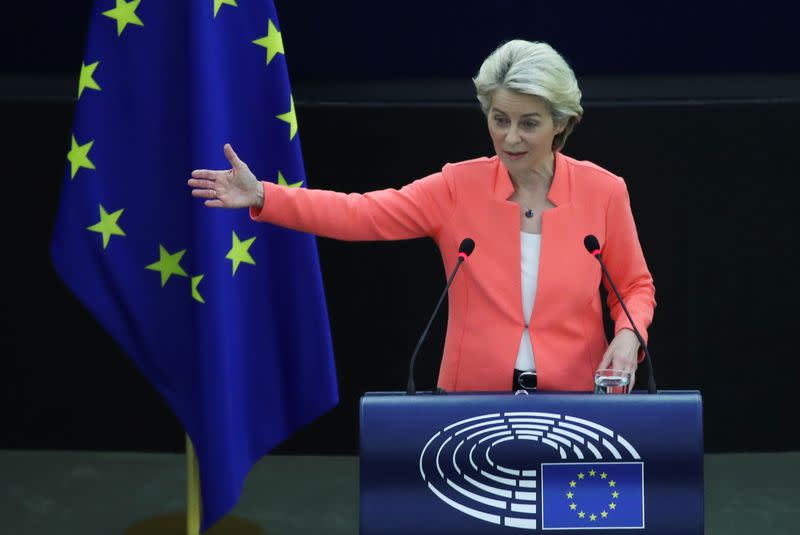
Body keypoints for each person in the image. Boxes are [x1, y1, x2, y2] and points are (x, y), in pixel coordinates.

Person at [187, 40, 655, 393]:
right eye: (499, 118)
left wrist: (629, 337)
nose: (510, 137)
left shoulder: (604, 191)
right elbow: (361, 213)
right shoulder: (457, 187)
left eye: (528, 123)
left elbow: (634, 286)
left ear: (562, 123)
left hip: (580, 398)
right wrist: (264, 195)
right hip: (469, 402)